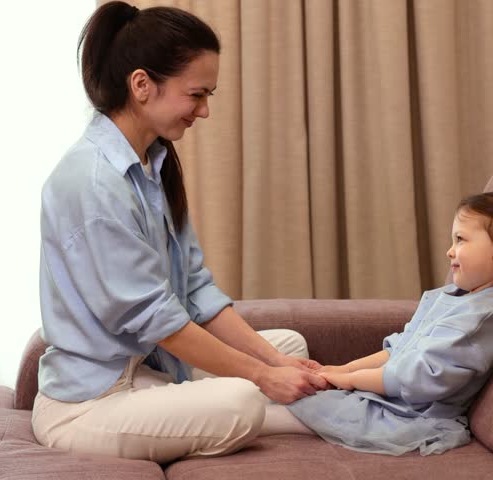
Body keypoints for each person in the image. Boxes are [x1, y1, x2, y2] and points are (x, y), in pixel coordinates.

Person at [32, 2, 327, 464]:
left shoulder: (154, 166)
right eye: (196, 95)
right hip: (91, 403)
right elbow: (157, 320)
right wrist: (263, 376)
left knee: (289, 345)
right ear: (142, 85)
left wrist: (274, 362)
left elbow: (195, 291)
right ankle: (302, 415)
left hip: (148, 371)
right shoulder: (92, 182)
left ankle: (293, 406)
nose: (204, 111)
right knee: (243, 399)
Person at [286, 188, 493, 455]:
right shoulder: (451, 297)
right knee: (294, 392)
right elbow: (399, 348)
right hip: (386, 400)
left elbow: (416, 377)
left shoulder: (483, 316)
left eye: (460, 240)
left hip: (410, 416)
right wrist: (343, 370)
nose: (450, 251)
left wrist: (352, 380)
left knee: (293, 406)